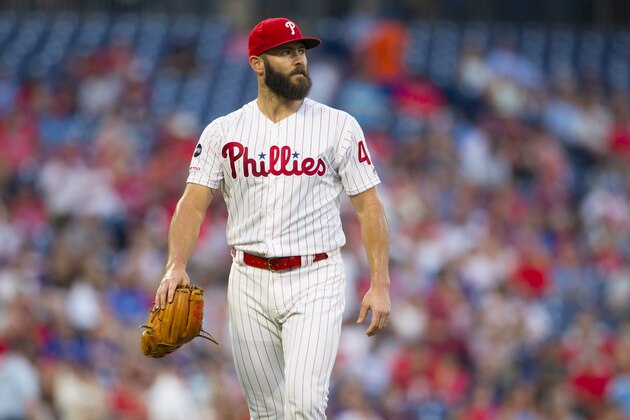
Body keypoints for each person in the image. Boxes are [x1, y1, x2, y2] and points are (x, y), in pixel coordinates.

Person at [153, 17, 391, 419]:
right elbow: (192, 203)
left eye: (301, 51)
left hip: (316, 276)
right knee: (265, 411)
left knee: (304, 403)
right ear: (257, 64)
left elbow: (370, 207)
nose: (299, 60)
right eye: (286, 52)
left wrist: (380, 283)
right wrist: (175, 265)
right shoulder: (223, 132)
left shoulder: (339, 127)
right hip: (248, 279)